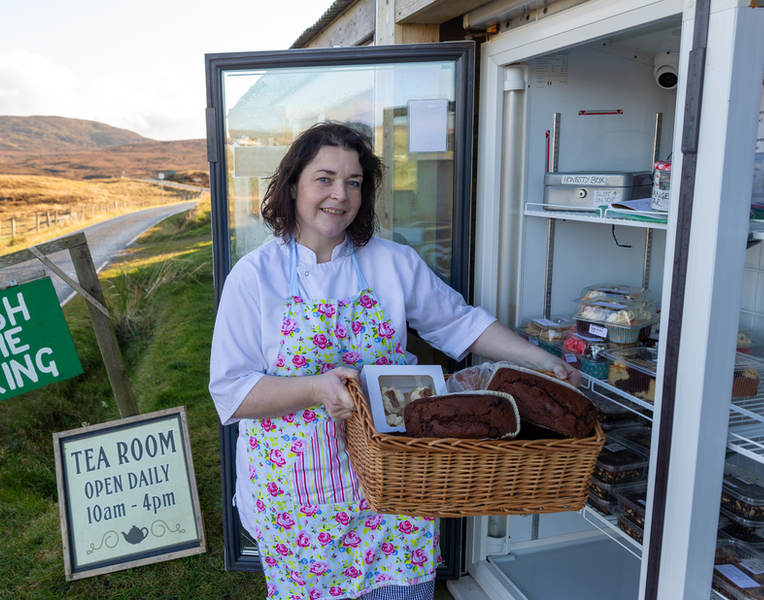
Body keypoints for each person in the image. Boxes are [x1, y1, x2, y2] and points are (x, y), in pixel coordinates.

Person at [208, 122, 579, 600]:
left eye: (354, 182)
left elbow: (459, 324)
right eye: (324, 178)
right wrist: (314, 389)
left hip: (396, 490)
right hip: (301, 500)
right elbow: (232, 391)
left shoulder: (391, 263)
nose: (339, 195)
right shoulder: (255, 278)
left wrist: (541, 361)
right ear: (293, 184)